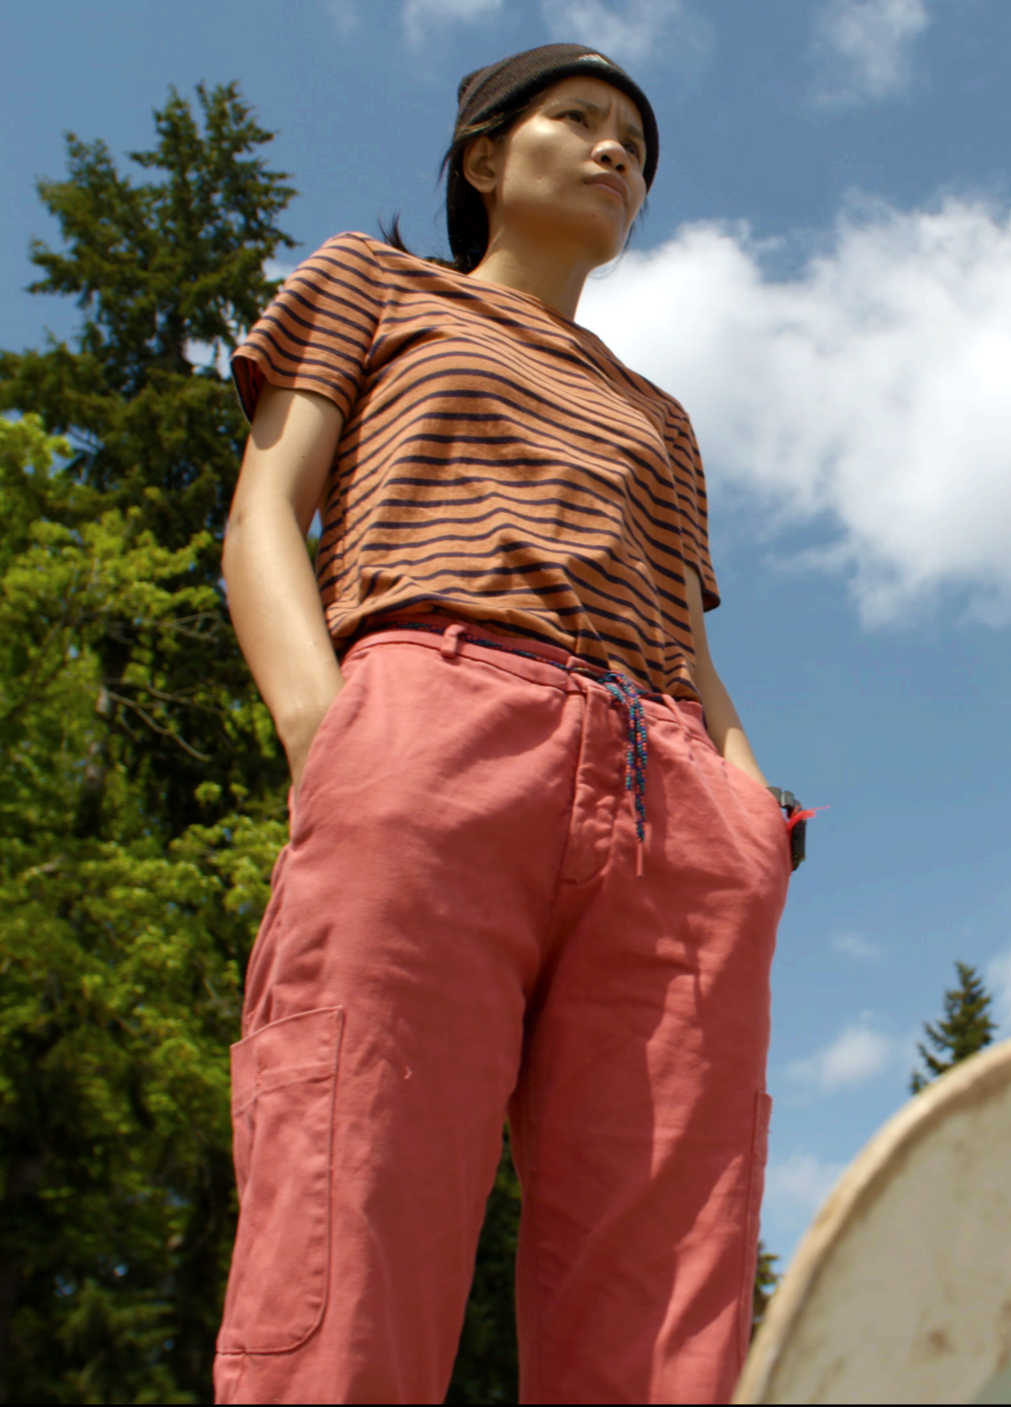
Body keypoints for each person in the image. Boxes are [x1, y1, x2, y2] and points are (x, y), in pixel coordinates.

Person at [214, 43, 796, 1403]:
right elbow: (260, 514)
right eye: (579, 122)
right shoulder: (372, 284)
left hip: (675, 804)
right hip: (436, 729)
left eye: (636, 147)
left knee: (666, 1278)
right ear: (485, 159)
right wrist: (329, 735)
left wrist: (752, 820)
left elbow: (691, 646)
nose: (616, 154)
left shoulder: (661, 415)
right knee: (353, 1199)